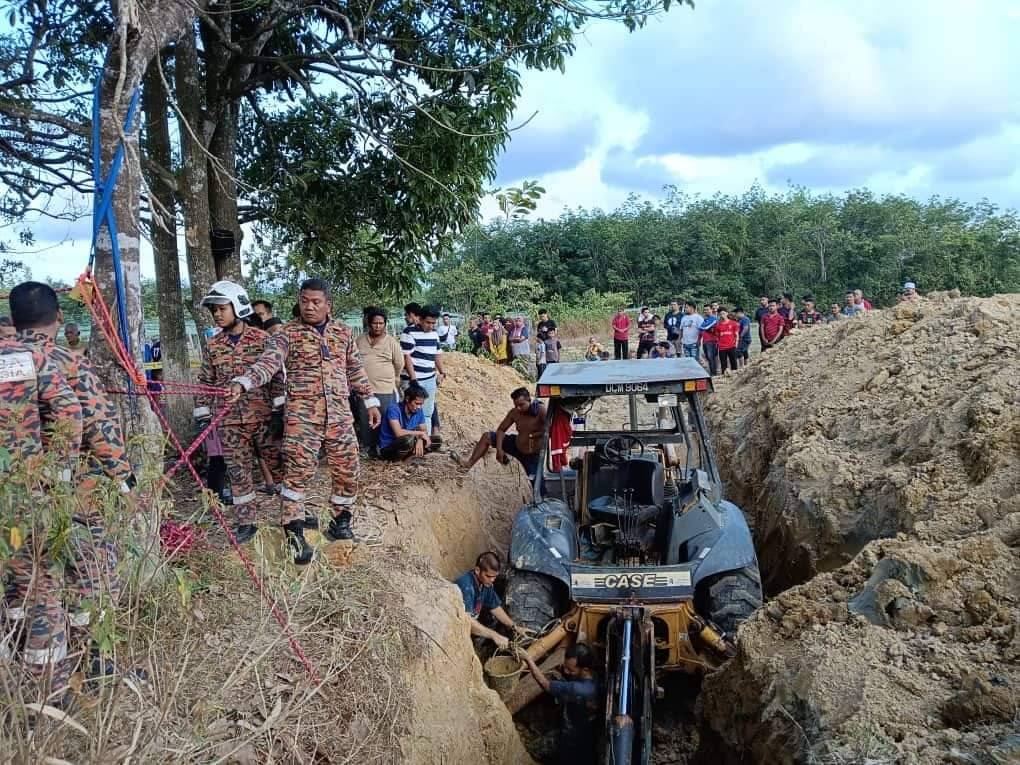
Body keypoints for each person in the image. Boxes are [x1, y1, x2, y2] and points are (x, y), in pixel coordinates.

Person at [227, 278, 381, 563]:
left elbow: (355, 368)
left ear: (328, 305)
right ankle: (293, 532)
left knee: (348, 470)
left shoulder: (342, 333)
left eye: (315, 302)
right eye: (304, 301)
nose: (308, 307)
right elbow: (268, 363)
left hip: (339, 417)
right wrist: (245, 381)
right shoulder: (286, 334)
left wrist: (369, 399)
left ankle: (340, 522)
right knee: (296, 475)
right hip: (302, 420)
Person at [1, 295, 83, 701]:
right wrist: (56, 471)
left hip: (20, 494)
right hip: (23, 493)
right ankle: (50, 689)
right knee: (39, 583)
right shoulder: (27, 358)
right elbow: (68, 412)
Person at [196, 281, 284, 544]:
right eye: (214, 310)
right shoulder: (213, 345)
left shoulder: (262, 339)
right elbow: (205, 382)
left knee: (279, 467)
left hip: (263, 418)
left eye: (222, 308)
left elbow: (277, 376)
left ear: (238, 307)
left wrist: (280, 410)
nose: (217, 314)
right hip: (230, 421)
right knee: (238, 473)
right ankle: (246, 522)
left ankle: (293, 516)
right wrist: (203, 416)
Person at [519, 643, 600, 764]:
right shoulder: (593, 676)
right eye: (565, 666)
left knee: (533, 749)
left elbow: (545, 684)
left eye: (570, 670)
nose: (566, 671)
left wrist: (529, 659)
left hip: (572, 738)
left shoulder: (577, 689)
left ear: (585, 669)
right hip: (583, 724)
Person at [452, 387, 545, 480]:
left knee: (538, 485)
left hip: (532, 455)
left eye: (521, 405)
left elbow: (551, 431)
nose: (518, 408)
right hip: (516, 445)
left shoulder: (540, 411)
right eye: (516, 405)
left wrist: (535, 435)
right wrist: (500, 450)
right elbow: (501, 430)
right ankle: (467, 465)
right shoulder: (514, 412)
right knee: (487, 436)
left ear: (529, 400)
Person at [356, 307, 404, 456]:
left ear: (385, 324)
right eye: (375, 323)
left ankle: (383, 448)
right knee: (365, 420)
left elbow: (399, 364)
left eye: (381, 323)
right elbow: (353, 362)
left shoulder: (391, 342)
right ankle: (368, 448)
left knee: (384, 419)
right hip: (364, 389)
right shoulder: (359, 340)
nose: (378, 326)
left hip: (385, 388)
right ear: (369, 324)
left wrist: (391, 378)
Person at [453, 553, 525, 649]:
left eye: (495, 577)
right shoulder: (466, 587)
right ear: (477, 570)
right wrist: (494, 635)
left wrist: (514, 626)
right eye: (489, 576)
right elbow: (467, 621)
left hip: (470, 624)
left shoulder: (485, 584)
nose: (492, 580)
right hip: (455, 630)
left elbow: (495, 607)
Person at [400, 305, 446, 438]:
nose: (431, 326)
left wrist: (442, 372)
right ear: (420, 319)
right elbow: (406, 356)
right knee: (410, 410)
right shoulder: (408, 332)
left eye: (433, 323)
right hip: (412, 380)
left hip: (430, 378)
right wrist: (413, 379)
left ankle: (424, 441)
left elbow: (437, 354)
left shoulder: (434, 334)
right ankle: (408, 442)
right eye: (428, 322)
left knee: (427, 411)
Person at [378, 384, 439, 461]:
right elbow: (399, 433)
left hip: (411, 441)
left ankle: (412, 455)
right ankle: (405, 459)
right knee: (407, 440)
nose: (419, 407)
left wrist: (420, 439)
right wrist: (420, 434)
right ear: (407, 399)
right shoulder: (393, 409)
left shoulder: (418, 410)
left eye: (421, 404)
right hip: (389, 447)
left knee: (436, 440)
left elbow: (424, 430)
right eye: (417, 403)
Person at [715, 308, 740, 374]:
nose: (722, 315)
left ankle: (735, 376)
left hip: (732, 346)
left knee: (734, 363)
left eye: (723, 313)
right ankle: (724, 378)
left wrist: (736, 344)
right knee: (723, 364)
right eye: (720, 314)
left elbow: (736, 335)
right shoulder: (718, 325)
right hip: (722, 348)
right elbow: (717, 337)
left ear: (727, 313)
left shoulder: (733, 323)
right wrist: (718, 345)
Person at [699, 305, 719, 376]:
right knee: (708, 357)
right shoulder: (705, 319)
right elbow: (703, 328)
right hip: (705, 341)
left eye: (707, 309)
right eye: (704, 310)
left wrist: (705, 327)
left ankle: (713, 374)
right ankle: (712, 372)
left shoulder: (714, 318)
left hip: (712, 341)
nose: (705, 311)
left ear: (711, 310)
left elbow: (703, 327)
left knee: (711, 357)